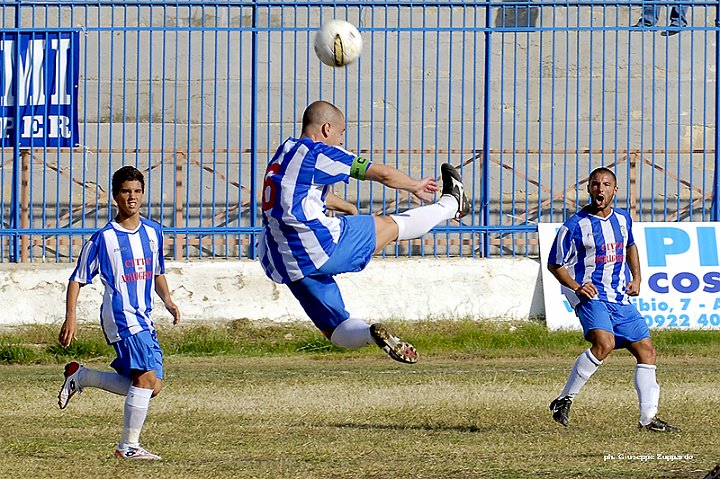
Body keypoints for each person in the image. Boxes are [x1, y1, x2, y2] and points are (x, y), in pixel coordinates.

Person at [258, 100, 469, 363]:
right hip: (317, 245)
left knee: (335, 329)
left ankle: (370, 334)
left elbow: (301, 195)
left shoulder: (284, 153)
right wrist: (414, 185)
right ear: (326, 129)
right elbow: (383, 174)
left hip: (282, 259)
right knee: (392, 226)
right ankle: (452, 204)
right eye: (341, 133)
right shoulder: (318, 153)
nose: (340, 140)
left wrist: (347, 207)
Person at [57, 165, 181, 460]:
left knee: (153, 386)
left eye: (137, 191)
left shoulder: (153, 232)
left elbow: (157, 272)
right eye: (126, 191)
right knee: (145, 380)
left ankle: (82, 377)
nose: (132, 197)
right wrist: (71, 317)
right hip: (121, 316)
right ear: (115, 196)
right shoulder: (103, 238)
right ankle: (128, 447)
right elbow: (77, 279)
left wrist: (168, 300)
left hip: (145, 317)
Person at [547, 167, 679, 432]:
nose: (600, 189)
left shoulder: (622, 219)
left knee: (647, 350)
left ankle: (648, 419)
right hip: (591, 296)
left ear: (614, 190)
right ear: (588, 189)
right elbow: (555, 264)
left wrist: (638, 278)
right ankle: (564, 399)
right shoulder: (574, 226)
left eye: (606, 184)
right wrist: (576, 287)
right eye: (595, 184)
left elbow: (630, 245)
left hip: (618, 297)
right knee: (604, 343)